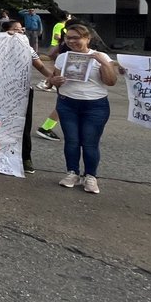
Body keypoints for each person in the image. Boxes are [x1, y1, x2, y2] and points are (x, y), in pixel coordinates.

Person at [49, 22, 118, 194]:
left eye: (76, 38)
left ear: (88, 38)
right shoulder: (62, 57)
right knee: (71, 141)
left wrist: (105, 64)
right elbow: (53, 80)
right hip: (67, 104)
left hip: (95, 105)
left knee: (89, 143)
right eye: (68, 38)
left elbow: (111, 82)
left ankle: (90, 176)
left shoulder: (100, 56)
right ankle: (72, 173)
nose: (71, 41)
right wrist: (53, 81)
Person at [4, 19, 56, 175]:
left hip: (23, 91)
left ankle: (25, 158)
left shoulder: (27, 48)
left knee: (24, 125)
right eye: (15, 29)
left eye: (21, 29)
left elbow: (39, 65)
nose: (20, 32)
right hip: (1, 91)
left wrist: (51, 78)